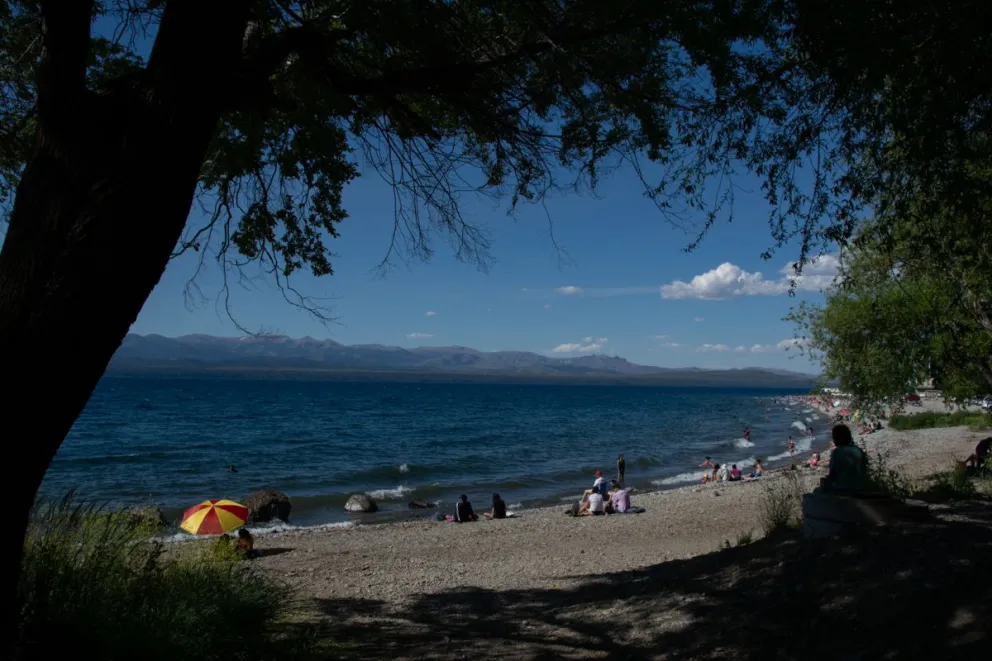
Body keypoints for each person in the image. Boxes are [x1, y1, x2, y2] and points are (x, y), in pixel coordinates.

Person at [821, 424, 869, 491]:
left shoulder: (836, 452)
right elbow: (864, 469)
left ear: (836, 439)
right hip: (861, 487)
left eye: (834, 438)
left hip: (843, 489)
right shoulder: (858, 450)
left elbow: (832, 475)